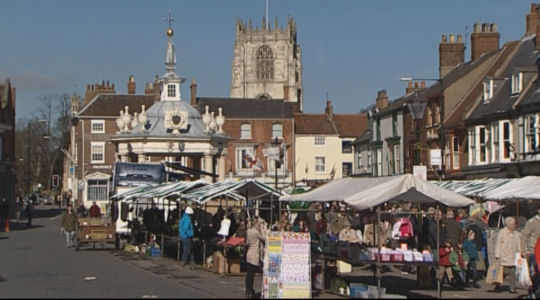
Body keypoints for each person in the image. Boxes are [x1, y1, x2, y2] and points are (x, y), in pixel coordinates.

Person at [493, 217, 521, 294]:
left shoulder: (516, 233)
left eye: (514, 224)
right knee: (503, 273)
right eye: (512, 224)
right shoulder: (502, 232)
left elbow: (519, 244)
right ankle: (497, 284)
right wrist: (497, 255)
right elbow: (498, 244)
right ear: (507, 225)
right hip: (504, 257)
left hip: (513, 257)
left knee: (512, 272)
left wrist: (521, 252)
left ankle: (512, 288)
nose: (514, 226)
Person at [245, 217, 265, 299]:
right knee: (252, 274)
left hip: (249, 253)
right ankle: (250, 291)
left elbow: (247, 242)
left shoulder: (248, 231)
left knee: (249, 274)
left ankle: (248, 290)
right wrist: (262, 229)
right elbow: (264, 238)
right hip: (254, 254)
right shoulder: (256, 232)